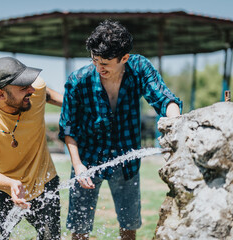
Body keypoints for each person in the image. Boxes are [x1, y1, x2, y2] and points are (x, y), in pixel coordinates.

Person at [59, 20, 182, 240]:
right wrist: (78, 166)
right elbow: (68, 127)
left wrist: (178, 124)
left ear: (124, 58)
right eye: (94, 60)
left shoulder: (139, 68)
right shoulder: (77, 81)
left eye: (105, 63)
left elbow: (164, 99)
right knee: (79, 228)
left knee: (129, 225)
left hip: (127, 160)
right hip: (86, 160)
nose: (99, 68)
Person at [0, 57, 63, 240]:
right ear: (0, 94)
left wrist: (78, 105)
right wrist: (10, 184)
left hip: (43, 180)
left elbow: (46, 94)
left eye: (30, 83)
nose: (31, 90)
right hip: (2, 186)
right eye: (23, 87)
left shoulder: (35, 90)